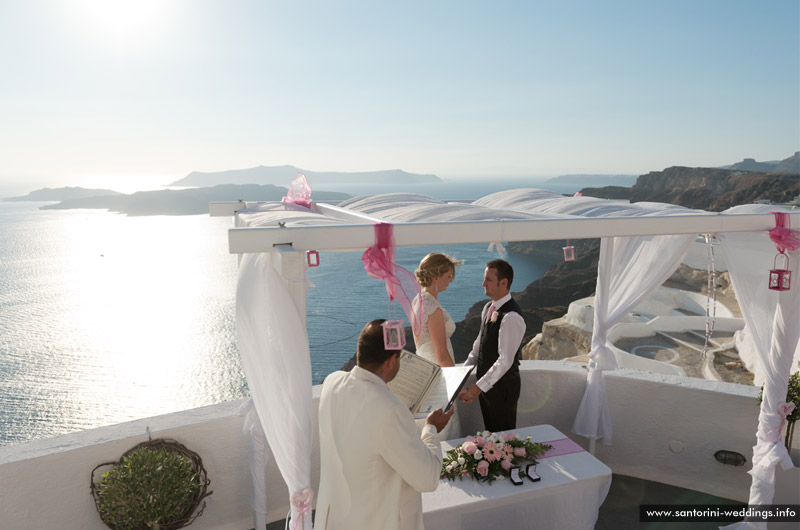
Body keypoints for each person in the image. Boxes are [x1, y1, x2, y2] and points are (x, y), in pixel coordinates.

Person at [316, 319, 453, 530]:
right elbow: (428, 478)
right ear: (391, 361)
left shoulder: (332, 382)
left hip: (337, 518)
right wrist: (431, 428)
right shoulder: (390, 410)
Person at [459, 259, 526, 432]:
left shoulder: (511, 317)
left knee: (503, 439)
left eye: (488, 279)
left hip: (503, 390)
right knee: (491, 437)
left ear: (503, 282)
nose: (483, 284)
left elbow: (505, 360)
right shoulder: (488, 308)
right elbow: (478, 348)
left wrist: (476, 388)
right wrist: (460, 377)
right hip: (488, 386)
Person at [412, 252, 463, 367]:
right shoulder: (432, 309)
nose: (450, 280)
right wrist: (455, 382)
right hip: (440, 372)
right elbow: (442, 356)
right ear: (436, 277)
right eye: (448, 276)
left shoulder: (418, 300)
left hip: (426, 367)